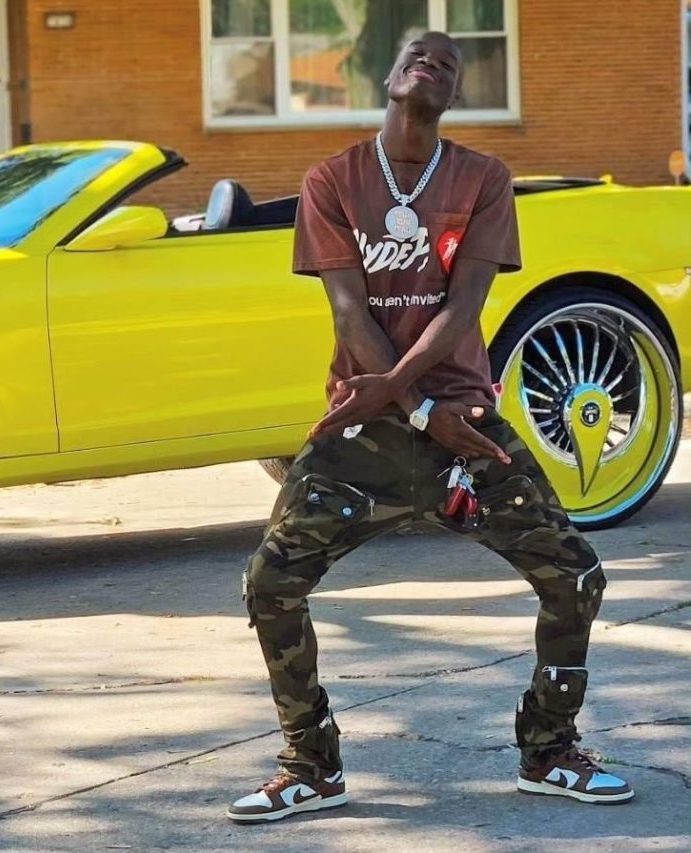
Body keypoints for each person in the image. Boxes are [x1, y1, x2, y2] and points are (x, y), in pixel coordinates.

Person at [227, 31, 633, 823]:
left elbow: (463, 309)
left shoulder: (484, 178)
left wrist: (427, 403)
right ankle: (311, 765)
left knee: (576, 575)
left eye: (449, 63)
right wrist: (414, 409)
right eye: (418, 52)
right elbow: (349, 312)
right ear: (389, 76)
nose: (433, 62)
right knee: (270, 584)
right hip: (365, 433)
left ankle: (549, 751)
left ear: (453, 95)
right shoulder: (332, 180)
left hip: (468, 428)